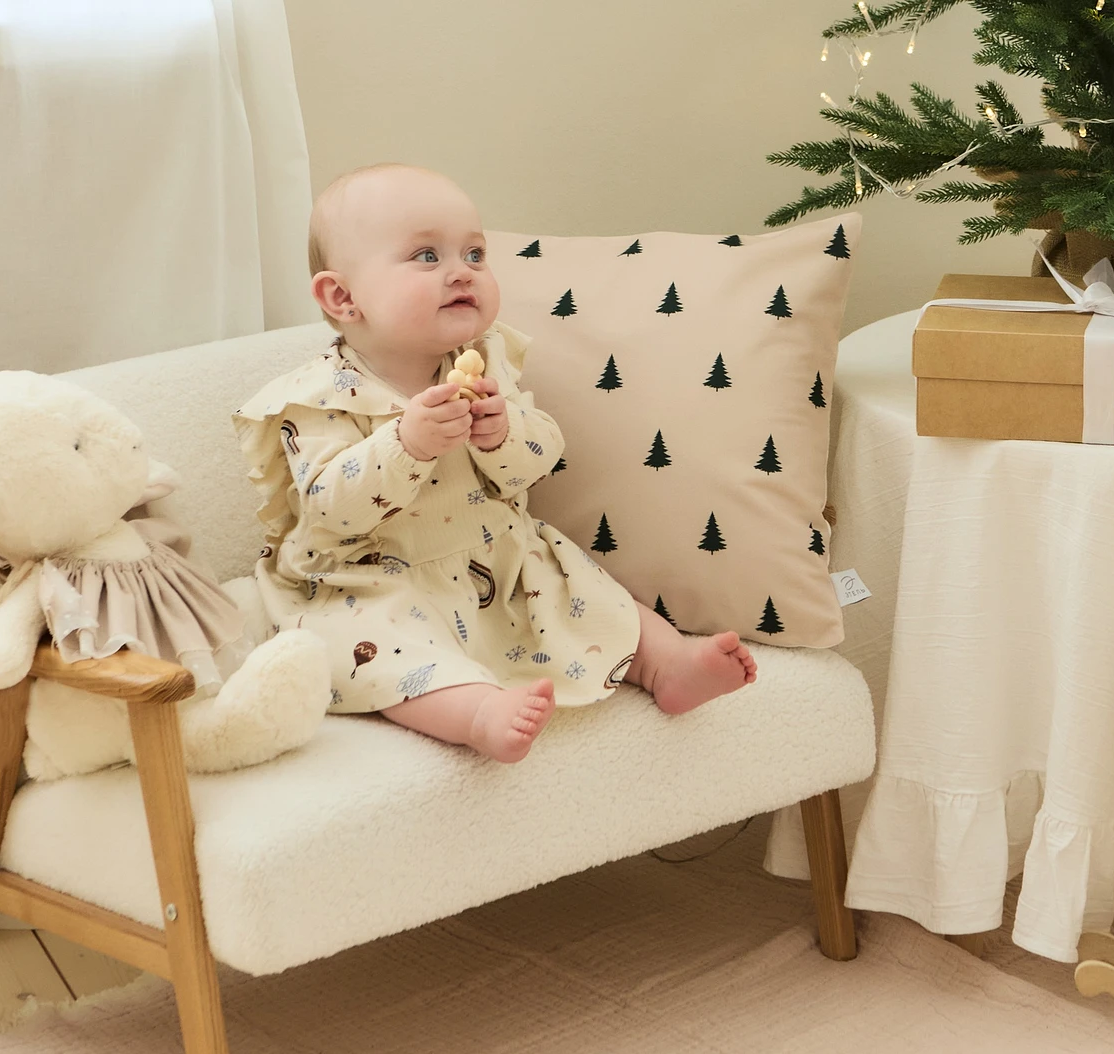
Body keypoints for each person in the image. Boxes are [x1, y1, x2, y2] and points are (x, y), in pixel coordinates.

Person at [233, 163, 755, 763]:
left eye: (475, 254)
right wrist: (406, 445)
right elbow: (330, 508)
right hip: (372, 577)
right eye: (426, 256)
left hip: (496, 554)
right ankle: (478, 712)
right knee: (377, 647)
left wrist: (503, 434)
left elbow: (540, 457)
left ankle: (666, 664)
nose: (462, 271)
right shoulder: (315, 398)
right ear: (343, 297)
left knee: (583, 591)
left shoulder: (485, 358)